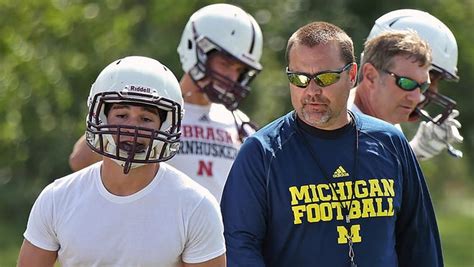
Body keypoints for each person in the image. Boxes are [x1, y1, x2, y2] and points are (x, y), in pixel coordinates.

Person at [220, 21, 443, 266]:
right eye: (300, 78)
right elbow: (240, 247)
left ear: (351, 75)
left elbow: (420, 243)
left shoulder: (390, 142)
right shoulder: (262, 152)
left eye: (325, 78)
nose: (311, 90)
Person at [17, 56, 226, 267]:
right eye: (121, 114)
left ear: (166, 125)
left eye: (146, 119)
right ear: (100, 116)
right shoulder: (57, 198)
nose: (132, 127)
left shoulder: (196, 206)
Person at [69, 3, 263, 202]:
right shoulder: (153, 110)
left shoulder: (242, 126)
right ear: (196, 49)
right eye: (225, 64)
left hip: (214, 231)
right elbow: (80, 161)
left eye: (239, 70)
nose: (232, 77)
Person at [350, 9, 463, 160]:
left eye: (425, 83)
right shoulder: (342, 127)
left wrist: (414, 151)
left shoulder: (382, 118)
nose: (419, 97)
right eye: (408, 82)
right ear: (371, 75)